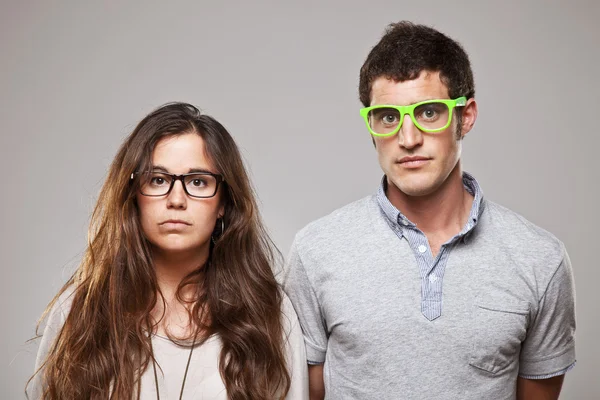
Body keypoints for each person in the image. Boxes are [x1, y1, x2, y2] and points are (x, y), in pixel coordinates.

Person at [283, 21, 576, 400]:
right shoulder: (315, 250)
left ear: (465, 116)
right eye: (388, 117)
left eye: (429, 112)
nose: (408, 139)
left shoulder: (540, 260)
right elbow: (307, 392)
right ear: (371, 126)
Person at [28, 103, 308, 399]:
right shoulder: (80, 309)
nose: (177, 199)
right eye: (158, 180)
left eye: (198, 182)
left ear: (224, 202)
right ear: (133, 194)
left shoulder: (269, 311)